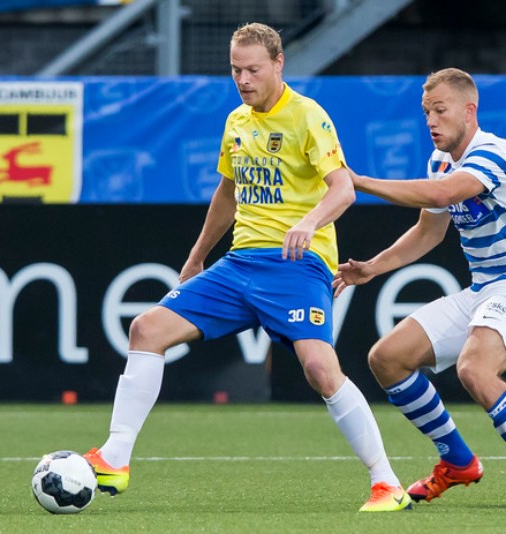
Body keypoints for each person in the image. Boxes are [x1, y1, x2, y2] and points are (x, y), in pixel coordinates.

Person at [84, 22, 411, 513]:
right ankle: (114, 458)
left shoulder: (308, 117)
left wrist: (310, 221)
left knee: (321, 370)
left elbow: (343, 188)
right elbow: (228, 192)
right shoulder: (237, 120)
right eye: (235, 69)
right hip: (239, 265)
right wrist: (197, 256)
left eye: (253, 69)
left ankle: (387, 483)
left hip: (298, 267)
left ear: (279, 64)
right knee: (146, 329)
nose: (243, 79)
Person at [334, 68, 506, 508]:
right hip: (484, 288)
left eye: (440, 110)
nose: (431, 120)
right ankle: (458, 461)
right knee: (387, 359)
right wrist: (373, 267)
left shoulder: (494, 152)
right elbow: (429, 232)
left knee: (474, 368)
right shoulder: (440, 161)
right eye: (426, 111)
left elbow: (446, 194)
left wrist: (360, 181)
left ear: (469, 110)